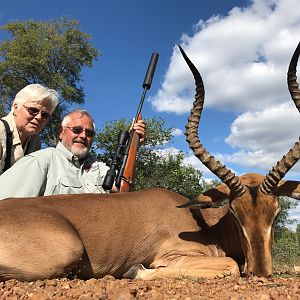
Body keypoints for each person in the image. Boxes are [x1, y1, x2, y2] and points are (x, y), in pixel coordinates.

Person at [0, 109, 145, 199]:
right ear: (61, 133)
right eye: (76, 130)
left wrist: (133, 147)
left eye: (89, 133)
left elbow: (121, 190)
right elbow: (7, 208)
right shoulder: (41, 160)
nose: (83, 136)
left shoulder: (98, 167)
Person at [0, 84, 58, 174]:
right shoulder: (1, 132)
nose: (39, 117)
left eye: (45, 115)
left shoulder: (35, 141)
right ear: (15, 107)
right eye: (33, 110)